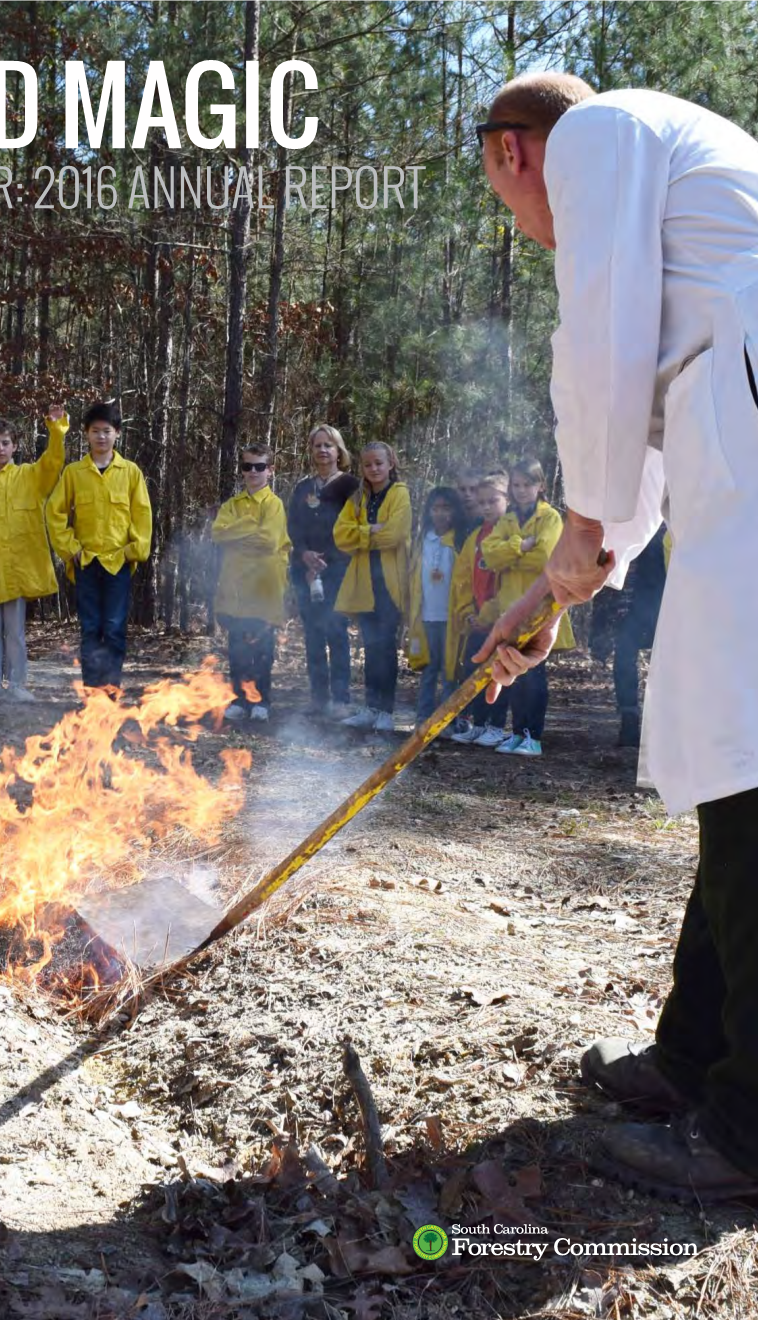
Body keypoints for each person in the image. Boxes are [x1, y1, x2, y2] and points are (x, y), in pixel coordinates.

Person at [475, 73, 758, 1199]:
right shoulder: (666, 177)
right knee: (729, 753)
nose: (524, 221)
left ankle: (744, 1127)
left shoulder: (596, 134)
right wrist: (557, 589)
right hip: (727, 425)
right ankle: (695, 1059)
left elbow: (604, 329)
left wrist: (583, 527)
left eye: (505, 196)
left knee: (746, 751)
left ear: (511, 155)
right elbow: (614, 396)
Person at [0, 407, 68, 702]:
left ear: (15, 446)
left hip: (18, 571)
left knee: (16, 633)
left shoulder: (30, 476)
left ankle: (18, 685)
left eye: (5, 443)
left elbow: (53, 462)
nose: (0, 448)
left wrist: (56, 430)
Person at [46, 402, 152, 690]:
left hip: (118, 564)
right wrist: (71, 549)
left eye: (107, 431)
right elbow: (54, 513)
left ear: (117, 433)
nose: (101, 437)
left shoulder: (130, 473)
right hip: (87, 564)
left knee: (115, 629)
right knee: (91, 629)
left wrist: (133, 550)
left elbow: (142, 516)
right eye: (95, 431)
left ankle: (111, 693)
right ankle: (93, 693)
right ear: (86, 434)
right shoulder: (74, 473)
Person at [479, 458, 574, 756]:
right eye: (516, 485)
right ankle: (518, 732)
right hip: (510, 609)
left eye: (527, 484)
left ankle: (533, 736)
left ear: (541, 486)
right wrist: (521, 545)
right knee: (515, 674)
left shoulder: (550, 518)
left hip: (540, 610)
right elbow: (489, 556)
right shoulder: (506, 520)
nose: (521, 491)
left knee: (533, 674)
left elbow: (545, 556)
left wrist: (511, 551)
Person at [333, 442, 411, 733]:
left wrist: (361, 537)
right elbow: (341, 536)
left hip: (389, 584)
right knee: (370, 647)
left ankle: (386, 712)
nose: (374, 469)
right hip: (365, 584)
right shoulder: (358, 498)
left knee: (386, 649)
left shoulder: (399, 493)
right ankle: (370, 707)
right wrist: (369, 531)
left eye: (379, 463)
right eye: (368, 465)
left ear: (390, 463)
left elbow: (395, 534)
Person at [211, 445, 290, 723]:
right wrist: (249, 527)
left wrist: (238, 533)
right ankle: (239, 700)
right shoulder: (231, 506)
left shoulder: (274, 505)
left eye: (259, 466)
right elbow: (218, 534)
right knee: (238, 650)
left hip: (265, 589)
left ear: (270, 470)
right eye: (248, 467)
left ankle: (261, 702)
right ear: (242, 470)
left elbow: (269, 540)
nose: (253, 472)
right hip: (236, 590)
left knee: (263, 650)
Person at [286, 424, 359, 718]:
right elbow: (294, 524)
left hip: (337, 568)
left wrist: (326, 557)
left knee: (336, 631)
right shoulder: (304, 487)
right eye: (317, 445)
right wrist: (304, 554)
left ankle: (341, 700)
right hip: (305, 568)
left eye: (328, 445)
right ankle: (318, 698)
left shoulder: (350, 485)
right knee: (313, 633)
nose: (323, 450)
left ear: (338, 450)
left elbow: (353, 524)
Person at [589, 526, 667, 748]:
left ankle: (663, 724)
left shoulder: (667, 524)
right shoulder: (616, 522)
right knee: (624, 657)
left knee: (666, 662)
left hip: (660, 600)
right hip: (623, 603)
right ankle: (629, 720)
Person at [450, 473, 512, 747]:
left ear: (507, 500)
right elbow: (462, 578)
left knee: (499, 673)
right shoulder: (476, 536)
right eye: (482, 502)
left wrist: (492, 615)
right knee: (473, 671)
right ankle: (477, 723)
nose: (487, 507)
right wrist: (468, 612)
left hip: (504, 619)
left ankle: (496, 726)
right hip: (477, 620)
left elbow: (513, 580)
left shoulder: (513, 533)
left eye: (493, 501)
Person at [407, 486, 464, 724]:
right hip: (427, 616)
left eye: (446, 508)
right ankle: (423, 718)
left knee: (451, 670)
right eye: (435, 508)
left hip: (452, 619)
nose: (440, 514)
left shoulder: (460, 541)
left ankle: (447, 720)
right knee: (429, 669)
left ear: (455, 511)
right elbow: (413, 579)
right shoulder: (422, 540)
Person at [453, 467, 483, 541]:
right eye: (462, 489)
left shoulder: (489, 520)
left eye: (473, 489)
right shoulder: (452, 521)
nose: (467, 494)